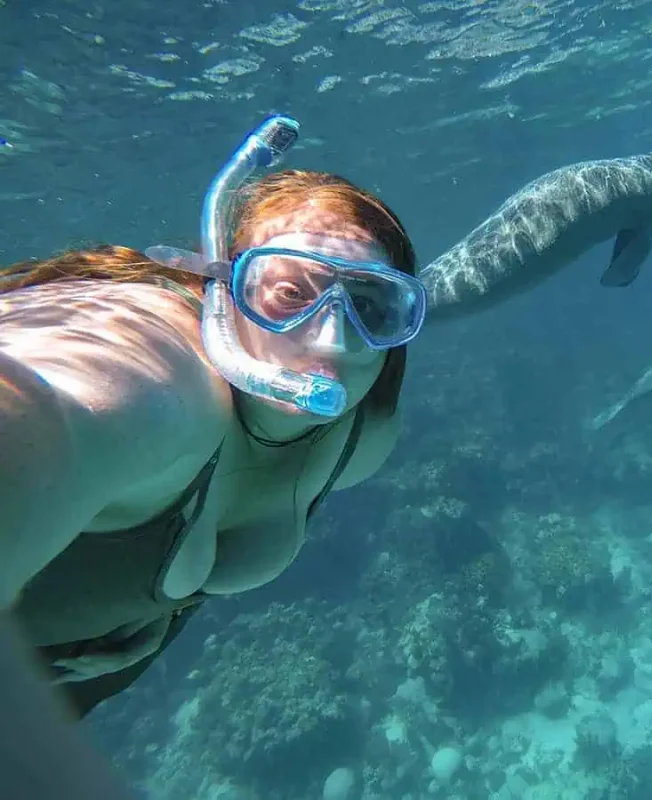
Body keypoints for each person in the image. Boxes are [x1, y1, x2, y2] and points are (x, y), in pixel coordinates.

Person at [0, 116, 446, 797]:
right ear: (219, 288)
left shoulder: (361, 437)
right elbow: (43, 412)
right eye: (289, 292)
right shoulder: (156, 363)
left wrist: (157, 606)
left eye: (370, 303)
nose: (330, 339)